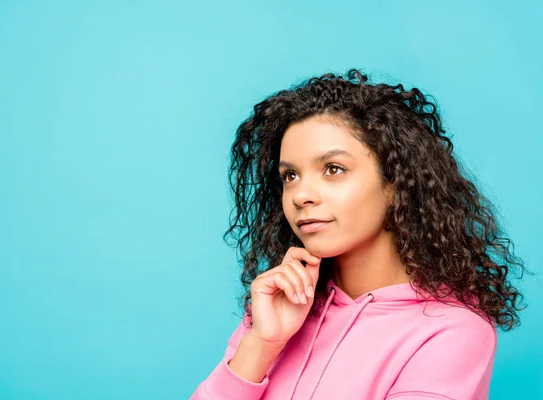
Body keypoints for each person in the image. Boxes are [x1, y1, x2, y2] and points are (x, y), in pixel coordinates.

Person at [190, 68, 530, 400]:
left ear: (397, 184)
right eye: (290, 176)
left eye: (333, 169)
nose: (300, 194)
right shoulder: (274, 312)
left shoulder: (451, 331)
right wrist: (263, 344)